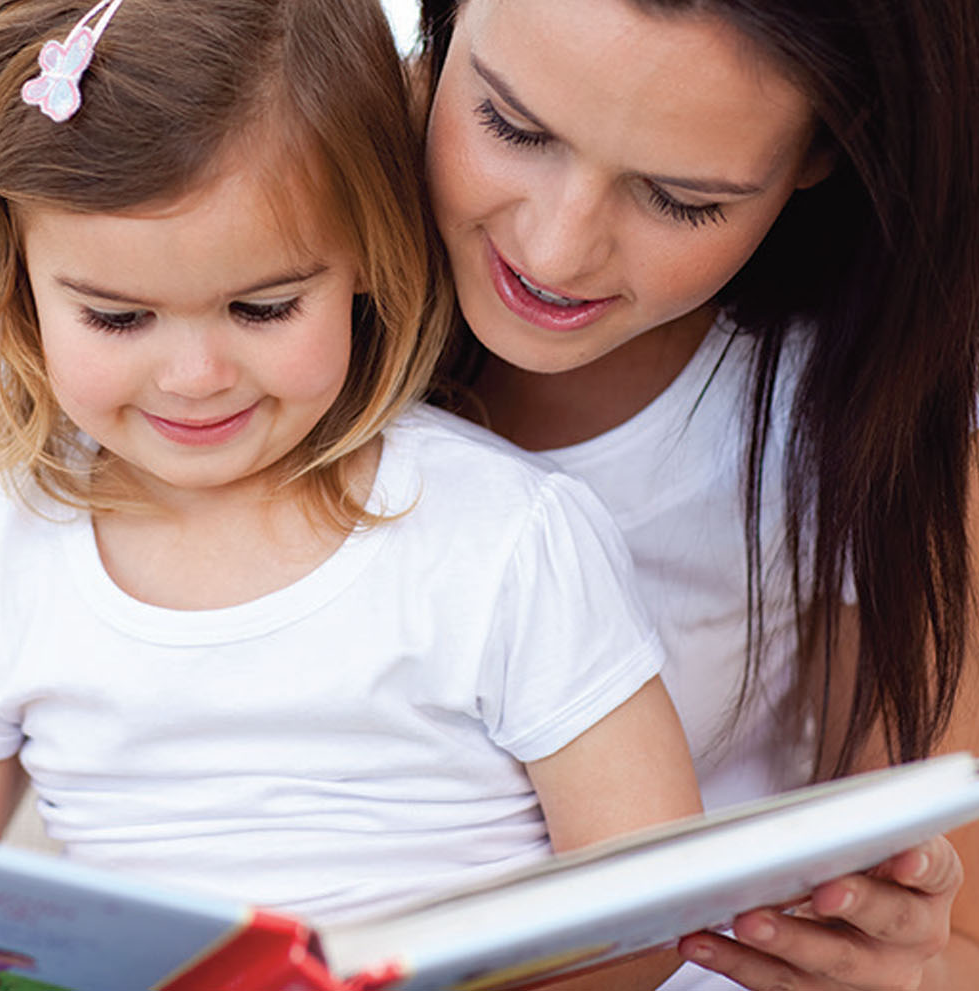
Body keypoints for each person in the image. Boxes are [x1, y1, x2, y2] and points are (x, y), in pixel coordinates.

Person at [0, 1, 704, 989]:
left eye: (261, 307)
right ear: (16, 287)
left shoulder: (505, 538)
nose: (195, 375)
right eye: (117, 318)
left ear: (367, 262)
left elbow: (650, 902)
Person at [417, 0, 979, 989]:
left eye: (680, 199)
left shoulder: (867, 418)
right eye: (510, 126)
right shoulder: (226, 227)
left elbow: (957, 938)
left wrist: (910, 971)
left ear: (818, 155)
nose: (554, 250)